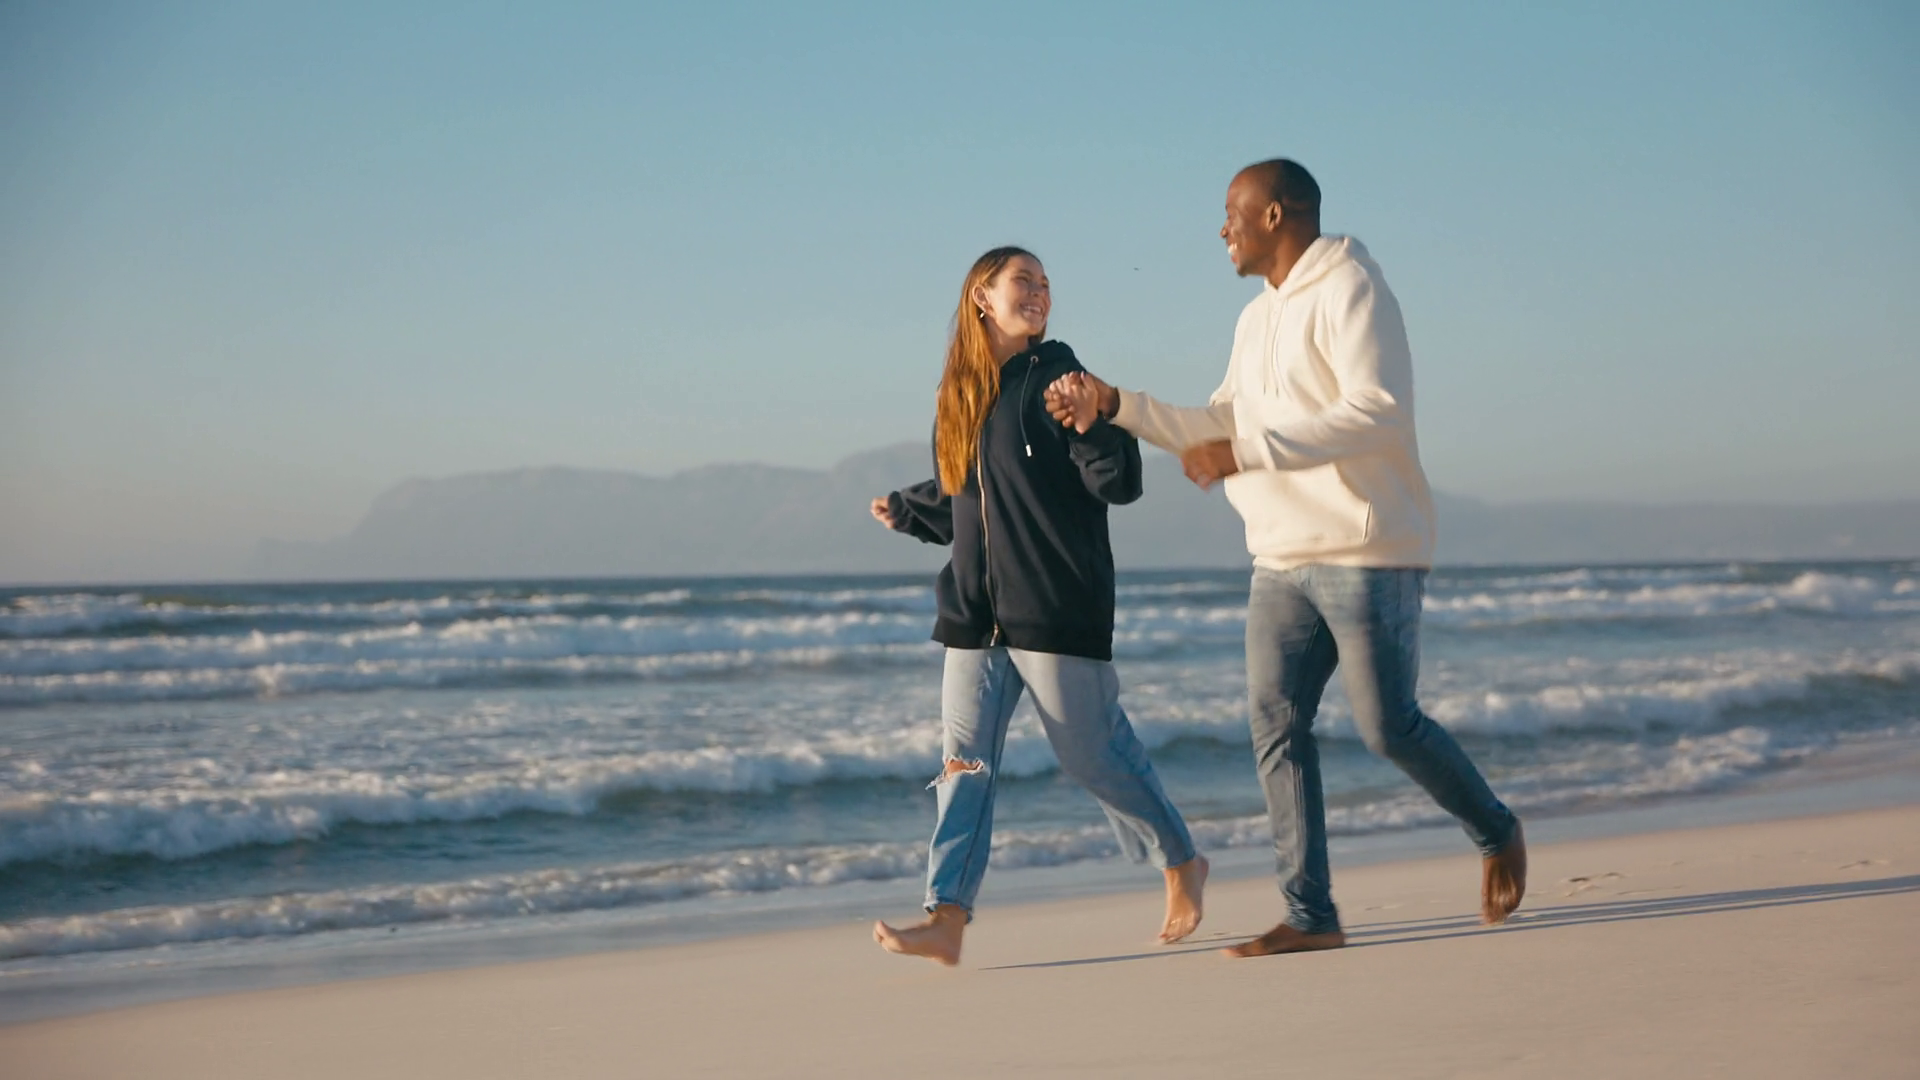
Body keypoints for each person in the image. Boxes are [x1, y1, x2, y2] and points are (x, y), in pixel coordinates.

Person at [1045, 160, 1527, 958]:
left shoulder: (1352, 288)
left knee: (1389, 728)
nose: (1222, 229)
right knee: (1275, 725)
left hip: (1366, 547)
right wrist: (1116, 404)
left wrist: (1246, 452)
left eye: (1232, 213)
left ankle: (1495, 829)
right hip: (1279, 558)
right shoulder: (1254, 319)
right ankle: (1311, 914)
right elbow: (1218, 424)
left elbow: (1376, 411)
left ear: (1274, 215)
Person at [869, 245, 1209, 966]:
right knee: (963, 766)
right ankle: (946, 917)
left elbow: (1117, 483)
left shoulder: (1060, 375)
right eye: (1024, 280)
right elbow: (970, 496)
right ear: (982, 298)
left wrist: (1092, 424)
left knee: (1092, 756)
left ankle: (1181, 858)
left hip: (1056, 609)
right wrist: (907, 509)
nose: (1040, 292)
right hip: (974, 618)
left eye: (1046, 283)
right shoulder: (957, 396)